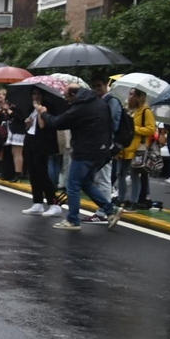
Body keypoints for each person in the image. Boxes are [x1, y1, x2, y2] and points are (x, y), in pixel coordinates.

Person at [48, 84, 121, 231]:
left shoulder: (80, 107)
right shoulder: (100, 103)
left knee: (73, 184)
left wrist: (43, 113)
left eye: (67, 97)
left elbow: (57, 123)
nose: (67, 100)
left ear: (74, 95)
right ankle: (110, 210)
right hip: (102, 151)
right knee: (86, 183)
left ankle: (73, 220)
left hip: (85, 151)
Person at [19, 93, 62, 217]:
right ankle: (37, 202)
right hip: (30, 140)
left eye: (38, 94)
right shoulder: (30, 108)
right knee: (33, 172)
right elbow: (28, 127)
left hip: (42, 143)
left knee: (42, 172)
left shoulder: (47, 108)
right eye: (33, 94)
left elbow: (43, 125)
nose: (35, 97)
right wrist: (28, 122)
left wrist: (39, 110)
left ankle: (54, 203)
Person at [119, 88, 156, 208]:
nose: (130, 97)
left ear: (140, 97)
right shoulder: (126, 109)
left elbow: (151, 129)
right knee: (120, 174)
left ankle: (133, 201)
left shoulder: (145, 111)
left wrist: (134, 129)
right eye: (129, 94)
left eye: (133, 95)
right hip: (123, 147)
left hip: (136, 148)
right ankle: (121, 199)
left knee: (134, 175)